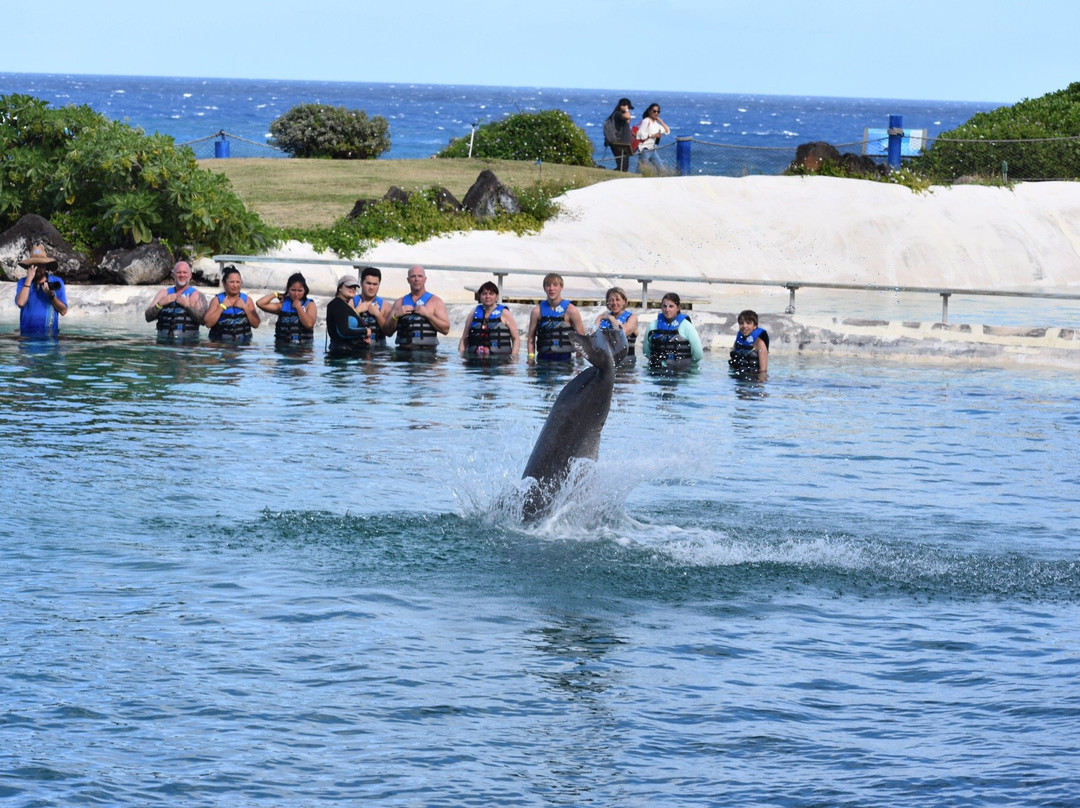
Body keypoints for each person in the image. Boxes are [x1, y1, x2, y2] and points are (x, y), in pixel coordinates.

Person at [385, 265, 451, 350]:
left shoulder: (436, 302)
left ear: (425, 279)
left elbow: (446, 330)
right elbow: (388, 332)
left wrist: (429, 315)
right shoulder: (399, 303)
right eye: (413, 276)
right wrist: (396, 316)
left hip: (428, 354)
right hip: (403, 353)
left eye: (420, 276)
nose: (417, 279)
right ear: (408, 280)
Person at [526, 273, 586, 362]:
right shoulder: (536, 312)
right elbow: (531, 338)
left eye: (555, 285)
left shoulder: (571, 310)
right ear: (544, 288)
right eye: (548, 285)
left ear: (561, 287)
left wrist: (579, 362)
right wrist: (531, 359)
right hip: (542, 361)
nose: (551, 288)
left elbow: (582, 339)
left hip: (565, 361)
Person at [145, 260, 207, 340]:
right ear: (173, 275)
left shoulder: (197, 295)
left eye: (185, 272)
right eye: (179, 272)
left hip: (188, 344)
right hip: (163, 343)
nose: (182, 275)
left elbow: (204, 321)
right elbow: (148, 318)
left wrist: (187, 306)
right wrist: (160, 304)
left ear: (190, 275)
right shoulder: (163, 294)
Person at [15, 244, 68, 336]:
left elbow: (63, 311)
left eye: (40, 265)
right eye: (34, 265)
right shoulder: (23, 282)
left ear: (46, 266)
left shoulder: (56, 282)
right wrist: (29, 278)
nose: (37, 269)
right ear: (29, 267)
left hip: (49, 335)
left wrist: (51, 296)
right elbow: (21, 303)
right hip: (26, 335)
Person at [459, 281, 520, 359]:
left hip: (500, 361)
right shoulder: (473, 314)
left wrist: (514, 357)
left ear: (497, 296)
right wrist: (461, 356)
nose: (487, 296)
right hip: (474, 360)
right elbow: (464, 338)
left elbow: (516, 338)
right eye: (484, 294)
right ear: (480, 296)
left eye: (491, 294)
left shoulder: (505, 314)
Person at [643, 292, 704, 370]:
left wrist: (686, 364)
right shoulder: (653, 326)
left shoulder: (686, 326)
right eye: (664, 306)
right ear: (661, 307)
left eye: (671, 306)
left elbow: (698, 354)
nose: (667, 309)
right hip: (657, 370)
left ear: (678, 308)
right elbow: (646, 351)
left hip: (681, 372)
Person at [256, 272, 317, 345]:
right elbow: (260, 303)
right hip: (282, 347)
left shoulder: (310, 305)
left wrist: (298, 307)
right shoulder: (282, 305)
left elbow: (309, 324)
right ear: (288, 289)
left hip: (302, 348)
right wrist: (276, 294)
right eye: (293, 290)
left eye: (300, 291)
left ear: (305, 290)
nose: (296, 294)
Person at [203, 265, 260, 342]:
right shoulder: (216, 301)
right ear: (224, 283)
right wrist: (222, 307)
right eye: (232, 282)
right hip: (220, 344)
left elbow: (256, 324)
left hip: (243, 344)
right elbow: (208, 324)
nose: (235, 285)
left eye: (238, 282)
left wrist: (245, 308)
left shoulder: (247, 300)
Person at [325, 275, 375, 355]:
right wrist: (365, 331)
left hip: (350, 352)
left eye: (355, 287)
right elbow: (344, 331)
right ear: (340, 288)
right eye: (349, 286)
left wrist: (363, 337)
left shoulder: (344, 305)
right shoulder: (337, 304)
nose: (353, 289)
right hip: (343, 353)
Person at [594, 286, 638, 361]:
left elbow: (623, 332)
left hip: (626, 363)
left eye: (618, 300)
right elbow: (593, 335)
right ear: (608, 302)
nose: (614, 303)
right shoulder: (603, 318)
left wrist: (612, 319)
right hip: (606, 361)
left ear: (624, 301)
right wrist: (598, 318)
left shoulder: (632, 317)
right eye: (611, 300)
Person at [351, 266, 392, 347]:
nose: (371, 287)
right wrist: (357, 311)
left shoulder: (385, 306)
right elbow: (343, 328)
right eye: (368, 283)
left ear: (379, 285)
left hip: (379, 350)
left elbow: (389, 333)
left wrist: (378, 314)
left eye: (375, 284)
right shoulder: (351, 302)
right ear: (361, 283)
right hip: (356, 349)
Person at [730, 309, 769, 375]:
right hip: (738, 378)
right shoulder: (738, 342)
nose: (744, 326)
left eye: (748, 323)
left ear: (755, 326)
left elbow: (763, 370)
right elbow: (732, 362)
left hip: (754, 378)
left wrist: (761, 380)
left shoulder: (759, 343)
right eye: (741, 323)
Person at [636, 103, 670, 174]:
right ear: (649, 111)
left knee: (661, 170)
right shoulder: (646, 121)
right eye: (654, 111)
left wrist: (661, 121)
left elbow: (667, 131)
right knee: (640, 170)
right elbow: (639, 134)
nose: (656, 113)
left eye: (658, 112)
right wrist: (653, 135)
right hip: (645, 149)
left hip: (652, 150)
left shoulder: (656, 124)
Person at [603, 97, 634, 172]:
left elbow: (628, 120)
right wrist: (626, 110)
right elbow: (628, 116)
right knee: (622, 166)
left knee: (624, 166)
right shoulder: (617, 114)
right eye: (628, 108)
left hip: (623, 144)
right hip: (619, 143)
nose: (629, 110)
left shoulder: (621, 116)